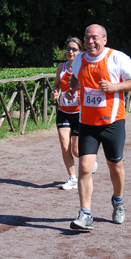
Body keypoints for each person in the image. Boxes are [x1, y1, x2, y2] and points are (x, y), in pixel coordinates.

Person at [65, 24, 131, 231]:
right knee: (85, 168)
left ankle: (118, 201)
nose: (90, 42)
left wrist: (115, 87)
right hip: (87, 123)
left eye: (95, 38)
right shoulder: (80, 59)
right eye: (87, 38)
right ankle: (85, 214)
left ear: (104, 40)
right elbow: (76, 77)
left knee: (115, 167)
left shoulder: (118, 58)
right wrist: (72, 89)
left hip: (113, 123)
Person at [51, 37, 97, 190]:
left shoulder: (83, 66)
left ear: (80, 51)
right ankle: (72, 178)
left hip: (79, 113)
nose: (70, 52)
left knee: (76, 150)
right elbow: (56, 85)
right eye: (68, 48)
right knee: (65, 146)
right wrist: (55, 92)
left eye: (74, 49)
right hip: (63, 111)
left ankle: (92, 162)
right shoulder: (61, 67)